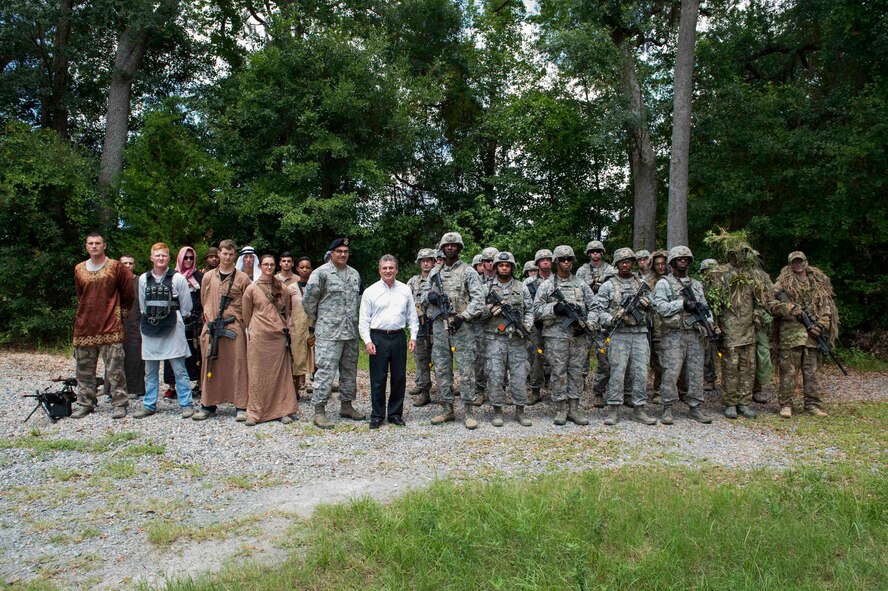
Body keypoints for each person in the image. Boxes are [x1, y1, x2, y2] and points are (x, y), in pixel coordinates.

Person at [701, 230, 773, 419]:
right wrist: (715, 326)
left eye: (744, 253)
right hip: (729, 331)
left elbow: (762, 301)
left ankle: (745, 403)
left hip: (749, 330)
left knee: (748, 369)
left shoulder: (753, 276)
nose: (742, 257)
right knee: (730, 369)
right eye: (738, 253)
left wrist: (758, 316)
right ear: (731, 254)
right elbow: (711, 303)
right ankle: (731, 403)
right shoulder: (719, 274)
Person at [422, 232, 485, 429]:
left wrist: (463, 316)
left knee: (466, 368)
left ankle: (468, 411)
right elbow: (423, 296)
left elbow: (479, 300)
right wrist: (430, 298)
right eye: (447, 246)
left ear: (459, 248)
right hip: (439, 325)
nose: (450, 248)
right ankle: (447, 409)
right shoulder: (435, 272)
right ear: (442, 248)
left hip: (462, 325)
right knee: (441, 367)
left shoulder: (468, 272)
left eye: (454, 245)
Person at [303, 238, 366, 428]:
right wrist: (322, 319)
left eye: (346, 251)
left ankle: (346, 405)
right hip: (329, 333)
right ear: (331, 253)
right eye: (339, 251)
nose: (343, 254)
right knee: (325, 372)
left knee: (349, 371)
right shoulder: (321, 273)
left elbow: (359, 301)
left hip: (350, 332)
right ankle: (319, 410)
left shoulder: (354, 274)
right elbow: (308, 302)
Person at [70, 231, 134, 419]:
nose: (94, 246)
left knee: (115, 369)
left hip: (110, 326)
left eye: (97, 243)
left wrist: (120, 315)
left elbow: (128, 293)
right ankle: (85, 403)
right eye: (90, 243)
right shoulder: (79, 269)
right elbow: (80, 295)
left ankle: (119, 403)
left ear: (104, 245)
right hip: (85, 327)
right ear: (86, 246)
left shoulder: (115, 267)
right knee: (83, 370)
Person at [533, 245, 597, 426]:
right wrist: (554, 308)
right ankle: (561, 408)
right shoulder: (547, 285)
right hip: (555, 336)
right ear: (556, 262)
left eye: (569, 259)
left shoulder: (581, 284)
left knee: (576, 372)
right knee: (558, 372)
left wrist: (590, 322)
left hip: (578, 336)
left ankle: (574, 408)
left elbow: (595, 307)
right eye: (562, 259)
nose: (566, 262)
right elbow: (536, 311)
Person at [651, 246, 715, 425]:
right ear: (672, 262)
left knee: (695, 372)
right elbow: (660, 308)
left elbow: (705, 307)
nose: (683, 261)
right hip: (673, 335)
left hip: (695, 334)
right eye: (679, 259)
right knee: (671, 372)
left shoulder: (696, 284)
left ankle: (695, 407)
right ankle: (667, 407)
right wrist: (682, 303)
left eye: (686, 259)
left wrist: (709, 323)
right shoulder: (664, 283)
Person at [771, 251, 837, 418]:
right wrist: (788, 308)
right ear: (790, 264)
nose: (798, 264)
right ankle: (786, 405)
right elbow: (770, 303)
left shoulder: (817, 282)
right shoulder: (782, 283)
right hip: (790, 335)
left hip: (812, 337)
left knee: (812, 372)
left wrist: (821, 326)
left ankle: (812, 405)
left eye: (800, 261)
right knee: (788, 373)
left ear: (806, 262)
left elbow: (826, 307)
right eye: (794, 262)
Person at [595, 248, 657, 425]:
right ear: (616, 264)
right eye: (622, 262)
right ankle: (614, 409)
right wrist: (612, 318)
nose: (625, 264)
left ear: (633, 263)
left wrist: (646, 303)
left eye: (628, 261)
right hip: (619, 333)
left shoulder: (640, 283)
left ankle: (640, 408)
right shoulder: (608, 285)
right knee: (617, 372)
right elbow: (599, 309)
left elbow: (653, 305)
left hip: (639, 333)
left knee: (640, 372)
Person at [133, 243, 195, 419]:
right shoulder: (144, 279)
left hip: (173, 325)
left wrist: (173, 319)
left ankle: (186, 404)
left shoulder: (178, 279)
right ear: (151, 257)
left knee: (179, 368)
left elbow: (186, 306)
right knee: (150, 370)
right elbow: (142, 305)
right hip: (150, 325)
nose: (160, 258)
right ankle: (149, 404)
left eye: (164, 256)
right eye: (157, 255)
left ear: (169, 258)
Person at [193, 239, 251, 421]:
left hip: (234, 327)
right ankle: (208, 404)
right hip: (212, 327)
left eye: (231, 254)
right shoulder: (208, 276)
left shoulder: (243, 278)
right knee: (211, 365)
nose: (227, 257)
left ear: (235, 256)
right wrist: (210, 318)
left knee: (239, 365)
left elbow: (249, 304)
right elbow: (204, 300)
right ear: (218, 254)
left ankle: (241, 405)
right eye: (224, 253)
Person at [359, 255, 419, 428]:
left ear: (396, 270)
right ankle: (377, 415)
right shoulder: (370, 291)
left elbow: (412, 317)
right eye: (384, 268)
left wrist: (413, 336)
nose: (388, 271)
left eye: (391, 268)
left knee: (399, 378)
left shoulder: (405, 290)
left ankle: (395, 414)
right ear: (379, 270)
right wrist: (368, 341)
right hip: (378, 337)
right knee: (378, 378)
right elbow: (363, 320)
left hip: (399, 336)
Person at [243, 254, 299, 426]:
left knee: (281, 375)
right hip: (259, 337)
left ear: (275, 267)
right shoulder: (251, 288)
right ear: (260, 266)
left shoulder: (283, 288)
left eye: (271, 264)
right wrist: (253, 329)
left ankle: (283, 410)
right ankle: (255, 412)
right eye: (265, 264)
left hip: (278, 337)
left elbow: (287, 312)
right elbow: (246, 314)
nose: (268, 267)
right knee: (257, 374)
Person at [481, 252, 533, 426]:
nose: (504, 268)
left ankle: (520, 410)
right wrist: (489, 309)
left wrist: (526, 326)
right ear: (496, 267)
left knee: (519, 375)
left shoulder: (521, 286)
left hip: (517, 339)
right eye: (501, 265)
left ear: (512, 267)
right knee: (495, 374)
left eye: (507, 265)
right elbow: (477, 312)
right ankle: (497, 411)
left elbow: (530, 310)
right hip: (494, 338)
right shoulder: (486, 288)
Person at [576, 240, 616, 408]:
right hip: (584, 320)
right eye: (592, 252)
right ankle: (576, 393)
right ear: (589, 254)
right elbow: (576, 293)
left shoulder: (611, 270)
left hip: (604, 322)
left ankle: (598, 391)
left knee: (604, 358)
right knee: (579, 359)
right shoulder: (581, 271)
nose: (595, 254)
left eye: (598, 251)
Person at [162, 246, 203, 401]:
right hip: (175, 319)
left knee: (197, 352)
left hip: (196, 319)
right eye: (185, 257)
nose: (188, 260)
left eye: (191, 258)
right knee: (172, 352)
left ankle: (199, 385)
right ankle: (172, 387)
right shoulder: (171, 276)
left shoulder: (199, 277)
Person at [103, 253, 144, 399]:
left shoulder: (140, 281)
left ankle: (135, 389)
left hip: (135, 323)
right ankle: (111, 390)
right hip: (115, 323)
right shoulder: (112, 281)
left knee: (135, 357)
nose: (127, 266)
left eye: (130, 263)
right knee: (113, 358)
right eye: (124, 263)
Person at [407, 248, 437, 407]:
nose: (426, 263)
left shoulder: (439, 279)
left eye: (429, 260)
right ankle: (424, 390)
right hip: (419, 326)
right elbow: (406, 300)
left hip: (437, 324)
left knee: (441, 358)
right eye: (423, 260)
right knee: (421, 358)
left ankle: (445, 388)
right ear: (419, 263)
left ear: (433, 262)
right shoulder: (412, 281)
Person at [524, 248, 554, 405]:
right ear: (537, 263)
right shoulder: (529, 284)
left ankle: (557, 390)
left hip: (556, 325)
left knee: (557, 358)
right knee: (536, 358)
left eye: (548, 259)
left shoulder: (557, 281)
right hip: (537, 326)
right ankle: (535, 391)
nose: (546, 262)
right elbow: (525, 306)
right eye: (543, 260)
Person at [287, 256, 315, 399]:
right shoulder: (291, 288)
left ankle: (318, 392)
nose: (305, 270)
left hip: (314, 329)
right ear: (297, 268)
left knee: (316, 361)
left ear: (311, 269)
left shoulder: (316, 287)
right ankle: (294, 392)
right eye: (302, 267)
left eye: (307, 267)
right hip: (297, 329)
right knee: (297, 360)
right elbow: (287, 309)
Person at [645, 249, 669, 402]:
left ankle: (676, 390)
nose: (660, 267)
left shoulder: (674, 281)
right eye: (657, 264)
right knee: (658, 361)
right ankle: (659, 390)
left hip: (674, 326)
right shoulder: (648, 283)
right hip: (656, 327)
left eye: (663, 264)